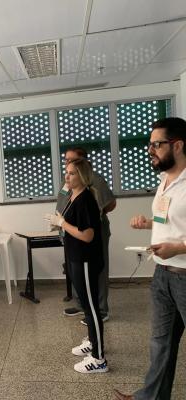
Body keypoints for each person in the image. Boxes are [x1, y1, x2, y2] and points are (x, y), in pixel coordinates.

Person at [114, 117, 186, 399]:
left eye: (157, 144)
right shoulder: (164, 180)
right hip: (162, 275)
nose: (150, 150)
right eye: (150, 144)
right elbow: (171, 221)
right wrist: (149, 223)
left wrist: (177, 249)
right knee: (160, 344)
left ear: (177, 145)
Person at [47, 159, 108, 373]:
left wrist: (62, 223)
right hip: (75, 257)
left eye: (72, 173)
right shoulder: (73, 196)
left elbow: (87, 235)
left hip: (86, 260)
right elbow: (72, 225)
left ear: (82, 176)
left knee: (91, 308)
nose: (67, 176)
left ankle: (99, 359)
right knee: (85, 305)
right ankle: (92, 342)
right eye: (66, 172)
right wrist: (59, 223)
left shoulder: (86, 200)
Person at [57, 147, 116, 323]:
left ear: (83, 161)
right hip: (70, 230)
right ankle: (81, 304)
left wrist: (91, 216)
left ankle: (101, 310)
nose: (67, 163)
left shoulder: (95, 179)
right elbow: (63, 201)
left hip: (91, 231)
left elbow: (110, 204)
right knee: (74, 268)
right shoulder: (67, 180)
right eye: (66, 160)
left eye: (71, 159)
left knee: (97, 269)